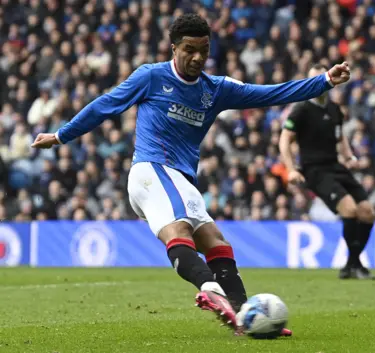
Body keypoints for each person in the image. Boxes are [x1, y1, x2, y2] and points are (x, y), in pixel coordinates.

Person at [30, 14, 352, 333]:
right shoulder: (151, 77)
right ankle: (211, 289)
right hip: (151, 170)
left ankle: (245, 317)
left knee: (215, 240)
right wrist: (61, 135)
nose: (197, 57)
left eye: (204, 49)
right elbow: (105, 105)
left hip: (181, 180)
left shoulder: (216, 89)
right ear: (174, 48)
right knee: (180, 230)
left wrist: (322, 81)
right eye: (189, 49)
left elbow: (270, 93)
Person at [279, 64, 375, 280]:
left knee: (368, 212)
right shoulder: (301, 109)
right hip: (315, 170)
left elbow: (340, 136)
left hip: (335, 166)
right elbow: (285, 139)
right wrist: (291, 169)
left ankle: (352, 264)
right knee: (350, 210)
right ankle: (354, 266)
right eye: (312, 80)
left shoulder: (334, 109)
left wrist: (349, 156)